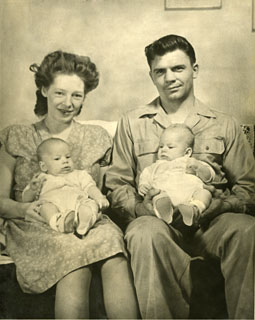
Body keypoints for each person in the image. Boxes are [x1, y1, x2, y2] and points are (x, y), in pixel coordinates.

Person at [105, 34, 255, 319]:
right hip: (158, 222)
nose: (169, 78)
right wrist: (139, 208)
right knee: (142, 231)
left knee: (248, 229)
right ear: (151, 76)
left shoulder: (225, 124)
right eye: (160, 71)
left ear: (194, 70)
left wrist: (222, 206)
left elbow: (249, 187)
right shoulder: (132, 123)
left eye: (178, 68)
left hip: (212, 223)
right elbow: (117, 183)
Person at [0, 50, 139, 319]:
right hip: (38, 224)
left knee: (115, 252)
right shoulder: (17, 136)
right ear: (43, 90)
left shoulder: (97, 137)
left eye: (77, 95)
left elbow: (116, 184)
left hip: (88, 220)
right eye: (60, 93)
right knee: (75, 261)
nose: (68, 103)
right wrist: (25, 210)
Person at [22, 137, 109, 236]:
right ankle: (59, 222)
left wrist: (99, 197)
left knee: (91, 204)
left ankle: (84, 221)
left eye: (68, 157)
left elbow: (90, 187)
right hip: (53, 205)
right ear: (43, 166)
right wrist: (32, 190)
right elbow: (26, 201)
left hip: (78, 203)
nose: (65, 161)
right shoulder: (41, 178)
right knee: (44, 208)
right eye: (57, 159)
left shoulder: (79, 174)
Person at [138, 123, 214, 226]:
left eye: (170, 147)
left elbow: (210, 177)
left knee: (205, 194)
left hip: (191, 196)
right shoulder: (156, 166)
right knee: (157, 196)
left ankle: (194, 210)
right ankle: (165, 213)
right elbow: (145, 175)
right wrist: (143, 185)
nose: (163, 149)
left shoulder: (190, 162)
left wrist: (199, 167)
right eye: (161, 146)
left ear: (187, 152)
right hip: (166, 195)